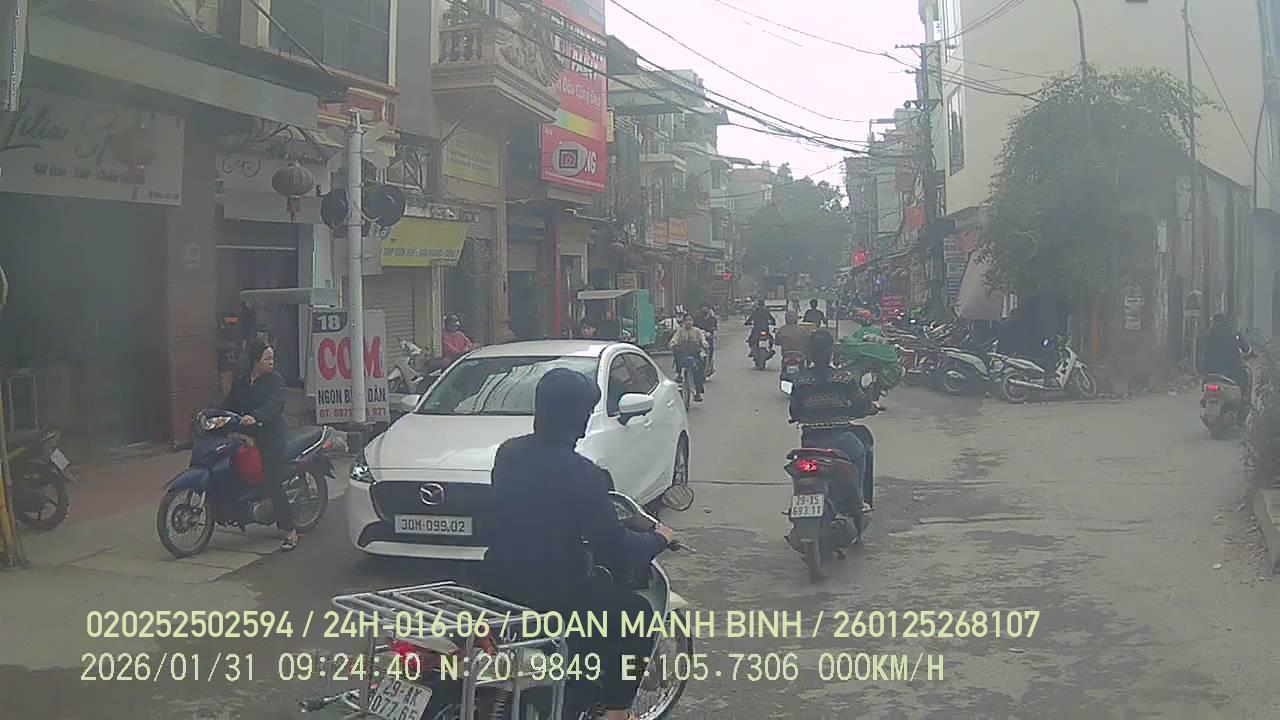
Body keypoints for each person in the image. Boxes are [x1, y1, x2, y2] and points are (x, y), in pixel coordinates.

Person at [483, 369, 675, 720]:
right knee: (636, 615)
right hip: (554, 592)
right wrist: (658, 538)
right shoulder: (583, 473)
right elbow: (615, 549)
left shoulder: (509, 453)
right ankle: (617, 711)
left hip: (498, 582)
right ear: (577, 417)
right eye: (586, 412)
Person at [788, 330, 876, 514]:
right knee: (863, 452)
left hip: (810, 441)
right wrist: (869, 406)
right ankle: (859, 501)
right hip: (840, 438)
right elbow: (861, 402)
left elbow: (794, 410)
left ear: (809, 353)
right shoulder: (843, 378)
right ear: (831, 352)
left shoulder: (800, 380)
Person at [222, 338, 297, 551]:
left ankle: (289, 529)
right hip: (246, 436)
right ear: (256, 360)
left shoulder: (275, 381)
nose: (271, 361)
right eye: (267, 358)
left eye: (272, 358)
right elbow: (230, 403)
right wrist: (213, 413)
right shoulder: (242, 381)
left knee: (272, 481)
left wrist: (256, 416)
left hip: (270, 437)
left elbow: (274, 406)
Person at [1202, 313, 1252, 406]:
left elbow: (1203, 354)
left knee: (1206, 379)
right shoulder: (1233, 335)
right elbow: (1246, 349)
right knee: (1245, 374)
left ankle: (1203, 397)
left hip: (1211, 372)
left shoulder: (1209, 336)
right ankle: (1244, 398)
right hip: (1230, 372)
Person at [669, 313, 708, 401]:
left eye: (690, 320)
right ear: (683, 322)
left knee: (698, 372)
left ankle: (698, 393)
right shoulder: (680, 331)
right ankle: (679, 374)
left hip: (695, 354)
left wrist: (704, 344)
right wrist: (672, 344)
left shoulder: (697, 331)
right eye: (686, 320)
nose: (688, 322)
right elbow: (674, 339)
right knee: (677, 354)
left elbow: (703, 340)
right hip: (683, 354)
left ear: (693, 321)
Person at [694, 304, 719, 374]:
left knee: (710, 353)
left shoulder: (712, 320)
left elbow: (715, 330)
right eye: (702, 309)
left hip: (709, 340)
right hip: (698, 340)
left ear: (708, 309)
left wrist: (714, 335)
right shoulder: (697, 319)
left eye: (705, 308)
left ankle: (709, 367)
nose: (704, 310)